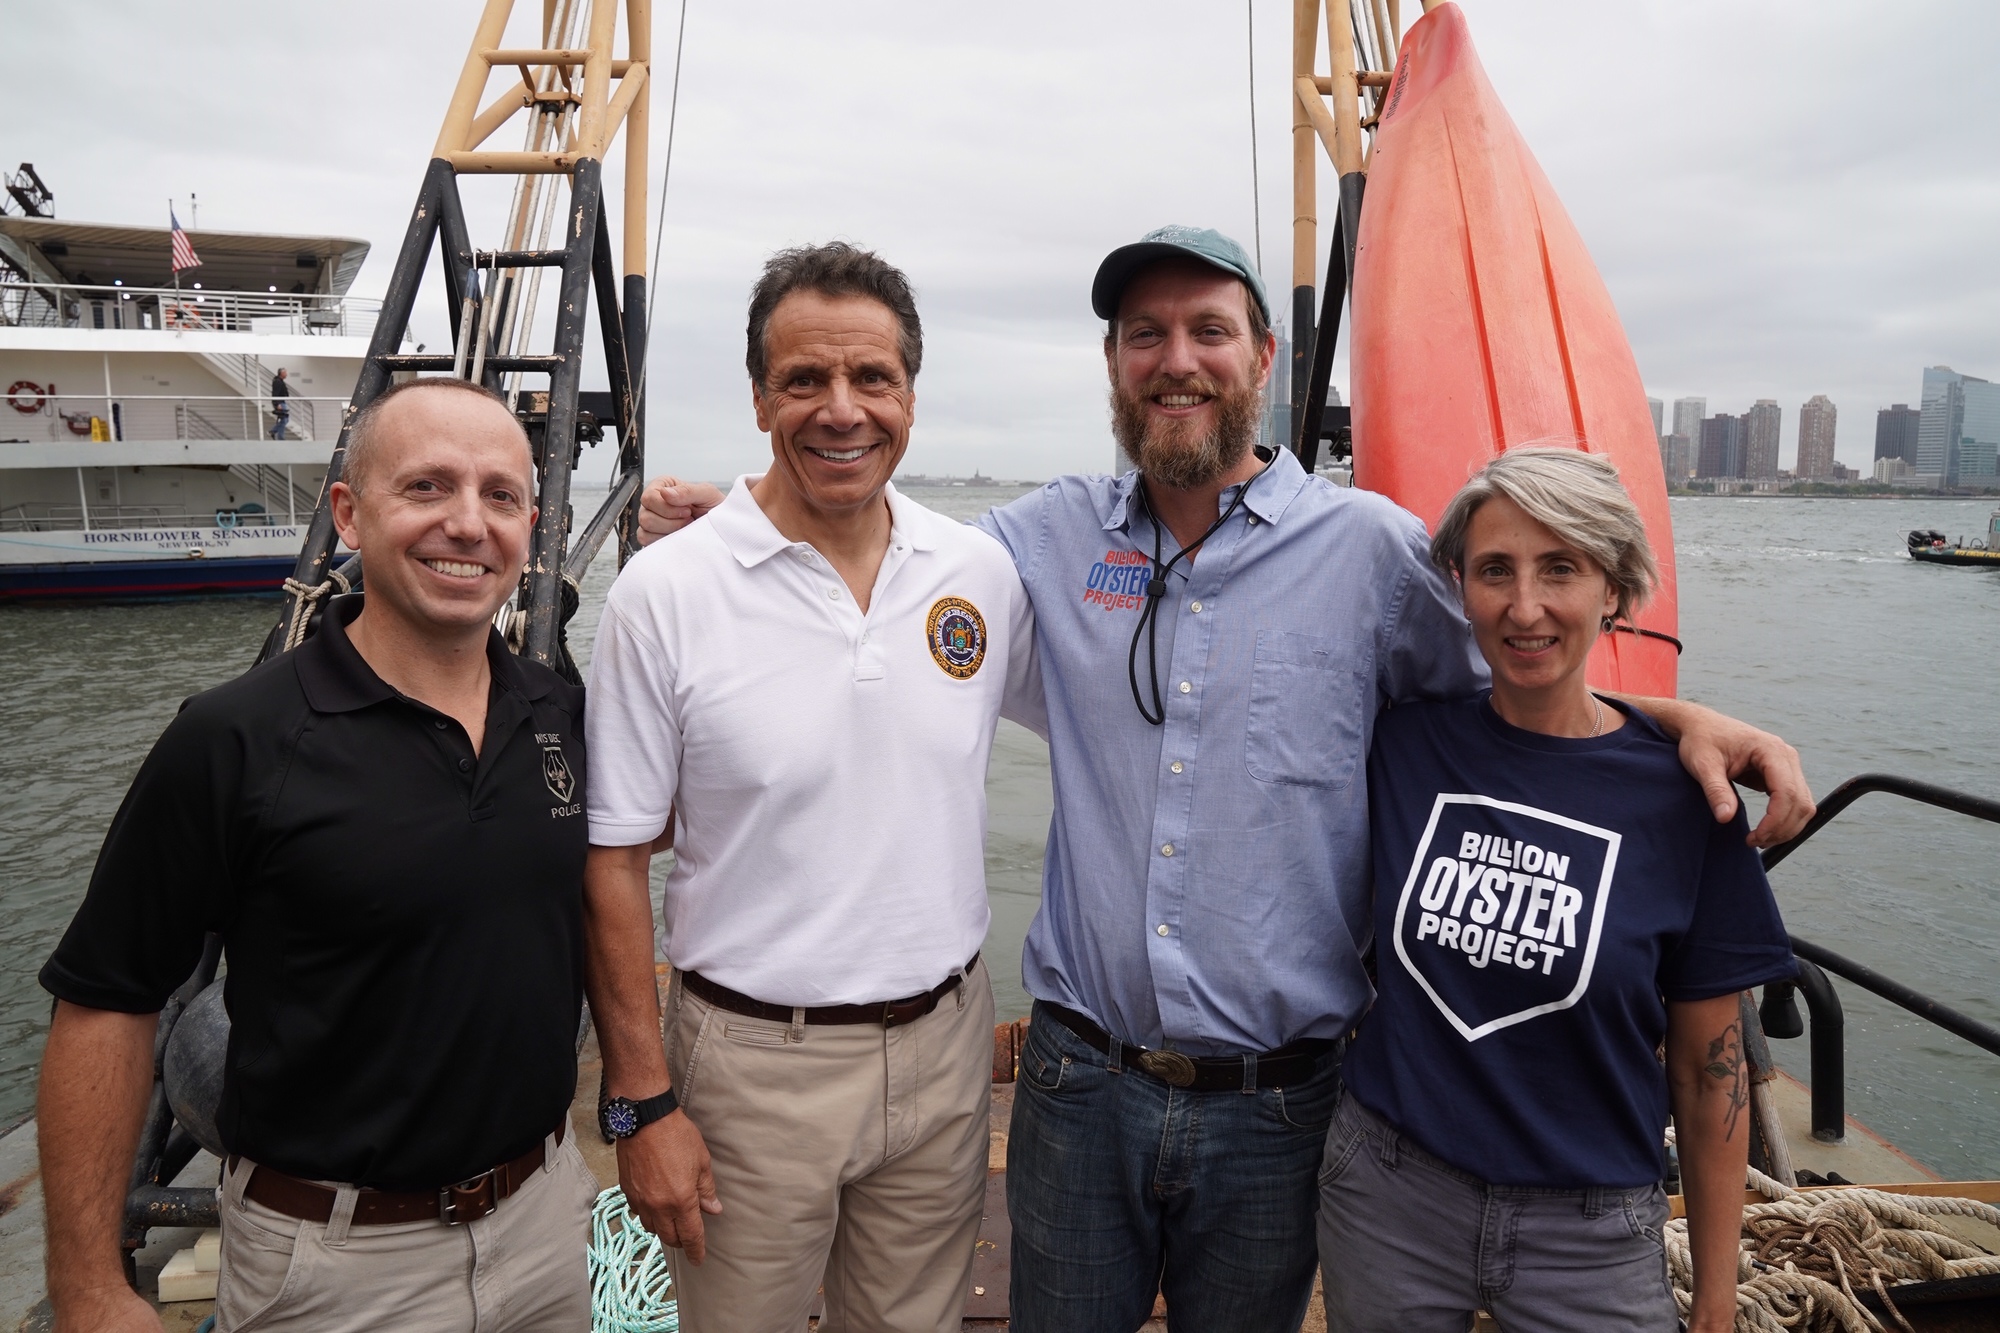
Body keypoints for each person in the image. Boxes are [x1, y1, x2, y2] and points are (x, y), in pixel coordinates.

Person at [637, 226, 1815, 1332]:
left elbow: (1521, 684)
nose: (1175, 360)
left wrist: (1672, 720)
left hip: (1281, 1105)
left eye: (1207, 329)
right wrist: (739, 519)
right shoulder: (1033, 545)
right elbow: (868, 554)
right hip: (1077, 1082)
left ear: (1261, 355)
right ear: (1111, 365)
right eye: (1143, 335)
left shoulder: (1373, 554)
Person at [37, 377, 599, 1333]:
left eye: (500, 496)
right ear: (348, 511)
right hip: (336, 1264)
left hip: (544, 1225)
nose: (468, 523)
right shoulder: (234, 738)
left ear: (532, 527)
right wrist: (90, 1285)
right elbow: (106, 999)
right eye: (427, 487)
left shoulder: (558, 714)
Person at [584, 242, 1044, 1332]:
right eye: (804, 381)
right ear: (757, 398)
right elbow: (610, 860)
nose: (841, 411)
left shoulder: (974, 574)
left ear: (911, 398)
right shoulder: (665, 594)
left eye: (870, 380)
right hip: (750, 1064)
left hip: (942, 1053)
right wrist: (641, 1102)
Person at [1319, 448, 1793, 1333]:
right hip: (1389, 1194)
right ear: (1460, 586)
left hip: (1591, 1228)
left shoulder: (1691, 802)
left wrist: (1718, 1300)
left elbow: (1706, 1070)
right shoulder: (1402, 742)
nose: (1524, 605)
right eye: (1496, 569)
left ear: (1615, 589)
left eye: (1561, 568)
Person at [269, 367, 290, 440]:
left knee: (285, 419)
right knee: (284, 419)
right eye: (285, 372)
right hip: (280, 402)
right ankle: (280, 437)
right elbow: (275, 393)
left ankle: (273, 431)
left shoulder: (280, 381)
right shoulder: (278, 381)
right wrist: (277, 404)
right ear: (282, 373)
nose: (286, 374)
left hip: (281, 401)